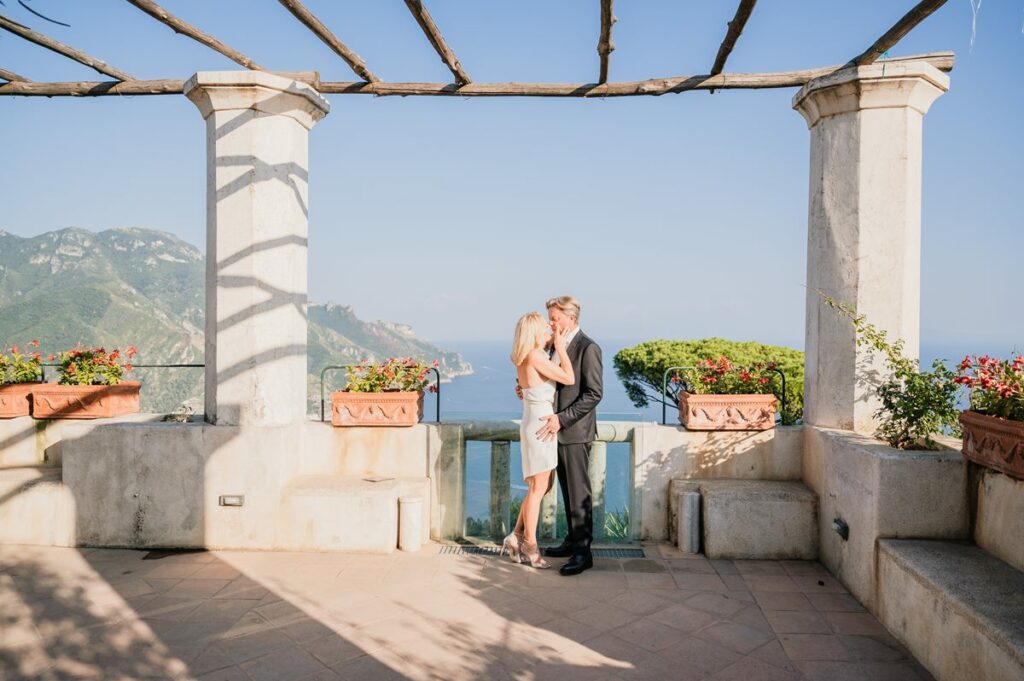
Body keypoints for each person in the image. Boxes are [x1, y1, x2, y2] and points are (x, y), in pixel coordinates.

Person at [503, 312, 575, 569]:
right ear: (534, 332)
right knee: (538, 488)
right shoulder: (534, 355)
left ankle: (517, 536)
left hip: (535, 420)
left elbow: (529, 387)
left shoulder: (527, 357)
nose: (549, 330)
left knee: (541, 485)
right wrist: (561, 348)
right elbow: (568, 378)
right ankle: (530, 546)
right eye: (545, 328)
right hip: (540, 425)